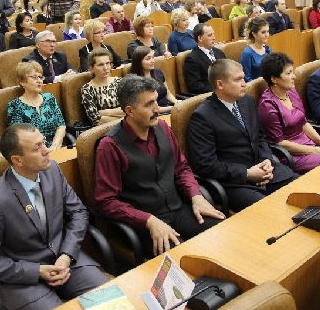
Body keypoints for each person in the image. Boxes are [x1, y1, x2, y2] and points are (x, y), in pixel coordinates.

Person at [0, 123, 109, 310]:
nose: (47, 150)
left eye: (44, 142)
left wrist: (66, 255)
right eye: (37, 148)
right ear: (17, 160)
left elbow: (78, 213)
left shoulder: (53, 170)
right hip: (25, 279)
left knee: (112, 300)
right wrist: (37, 271)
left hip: (66, 262)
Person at [94, 75, 225, 256]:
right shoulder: (109, 146)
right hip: (143, 224)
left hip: (178, 210)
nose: (157, 108)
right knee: (181, 257)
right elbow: (106, 202)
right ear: (130, 111)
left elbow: (181, 169)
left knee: (222, 233)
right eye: (149, 104)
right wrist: (148, 220)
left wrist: (196, 196)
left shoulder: (163, 127)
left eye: (156, 101)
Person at [189, 59, 299, 212]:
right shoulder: (202, 117)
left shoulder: (247, 101)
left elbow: (260, 136)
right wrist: (247, 173)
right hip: (235, 182)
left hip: (263, 170)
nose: (244, 84)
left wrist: (266, 159)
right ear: (220, 84)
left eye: (243, 78)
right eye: (238, 79)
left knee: (300, 190)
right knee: (269, 211)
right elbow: (205, 164)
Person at [258, 53, 320, 174]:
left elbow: (303, 122)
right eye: (288, 73)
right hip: (291, 155)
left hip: (309, 146)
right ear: (274, 79)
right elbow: (279, 142)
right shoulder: (267, 105)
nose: (294, 77)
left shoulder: (291, 91)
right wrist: (315, 151)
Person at [7, 62, 66, 149]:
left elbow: (61, 126)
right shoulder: (15, 106)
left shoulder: (49, 98)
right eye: (34, 77)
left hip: (56, 147)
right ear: (22, 82)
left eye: (40, 77)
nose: (39, 80)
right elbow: (19, 137)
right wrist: (42, 149)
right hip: (32, 150)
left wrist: (54, 146)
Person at [81, 48, 125, 126]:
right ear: (91, 68)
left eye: (107, 63)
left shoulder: (119, 82)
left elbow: (131, 109)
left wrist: (106, 112)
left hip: (127, 125)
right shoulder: (87, 89)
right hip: (105, 129)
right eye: (100, 65)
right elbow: (96, 119)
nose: (105, 68)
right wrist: (123, 118)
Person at [130, 46, 179, 112]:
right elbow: (152, 109)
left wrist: (176, 102)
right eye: (148, 59)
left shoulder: (158, 72)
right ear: (139, 62)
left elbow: (168, 94)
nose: (152, 61)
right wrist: (173, 108)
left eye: (153, 57)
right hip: (154, 114)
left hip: (168, 108)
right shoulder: (136, 82)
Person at [184, 23, 226, 94]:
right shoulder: (192, 59)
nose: (214, 38)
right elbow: (195, 85)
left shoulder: (219, 52)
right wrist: (218, 89)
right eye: (210, 35)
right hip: (211, 94)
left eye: (213, 34)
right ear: (200, 38)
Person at [241, 17, 272, 82]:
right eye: (263, 32)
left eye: (268, 31)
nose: (267, 35)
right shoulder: (247, 53)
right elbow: (247, 78)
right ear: (254, 34)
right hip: (255, 87)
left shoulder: (268, 49)